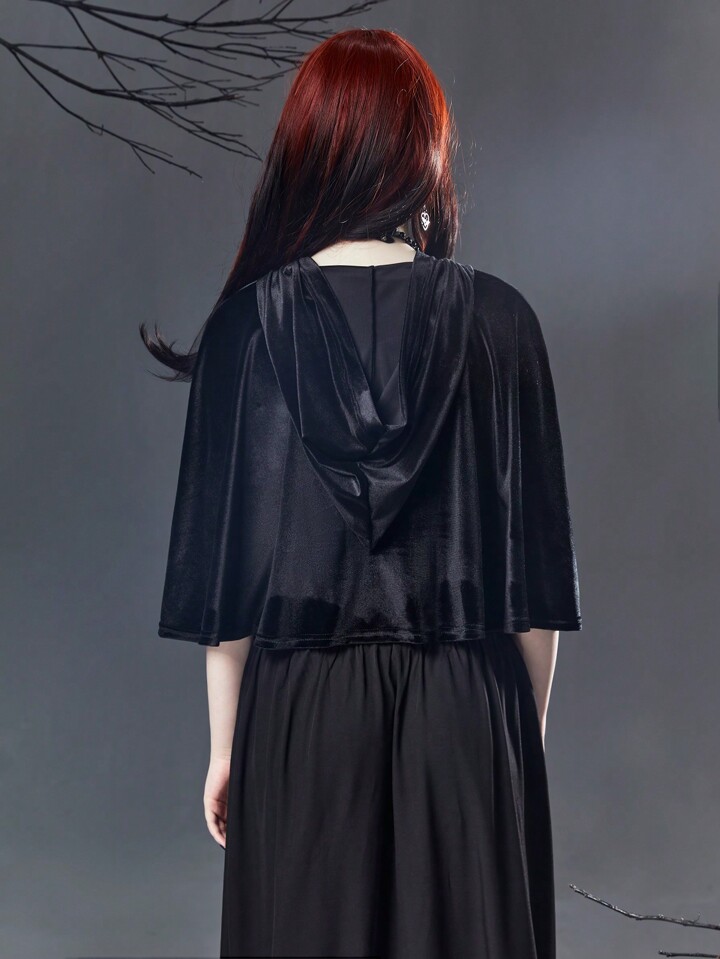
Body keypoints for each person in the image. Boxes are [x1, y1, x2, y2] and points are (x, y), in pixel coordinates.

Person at [141, 26, 582, 959]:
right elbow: (533, 592)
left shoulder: (244, 335)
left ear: (310, 148)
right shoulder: (502, 323)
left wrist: (224, 748)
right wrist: (516, 736)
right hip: (467, 703)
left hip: (302, 714)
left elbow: (229, 585)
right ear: (423, 153)